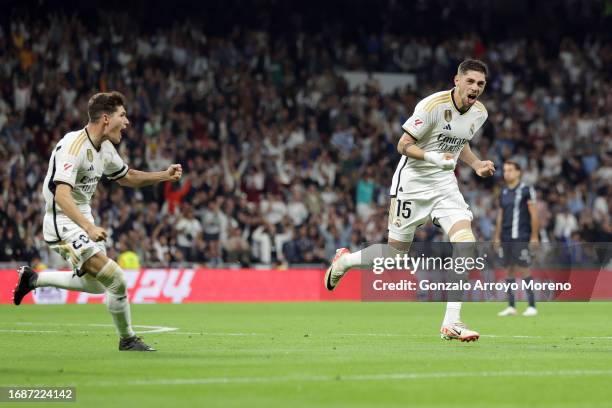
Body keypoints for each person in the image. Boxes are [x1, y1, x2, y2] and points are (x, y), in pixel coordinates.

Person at [325, 59, 495, 342]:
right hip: (412, 185)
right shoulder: (431, 106)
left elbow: (460, 139)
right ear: (457, 80)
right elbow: (402, 145)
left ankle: (452, 322)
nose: (475, 87)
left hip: (444, 185)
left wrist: (476, 164)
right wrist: (431, 157)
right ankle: (344, 263)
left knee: (466, 244)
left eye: (480, 84)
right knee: (394, 256)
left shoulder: (480, 113)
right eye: (470, 81)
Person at [12, 91, 183, 351]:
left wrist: (164, 176)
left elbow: (127, 176)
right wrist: (88, 227)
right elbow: (61, 194)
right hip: (62, 220)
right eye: (122, 115)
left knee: (96, 284)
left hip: (82, 217)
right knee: (115, 278)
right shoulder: (73, 146)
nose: (127, 122)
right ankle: (127, 339)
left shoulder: (105, 148)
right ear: (106, 118)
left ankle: (34, 280)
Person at [494, 161, 539, 317]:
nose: (507, 173)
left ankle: (532, 305)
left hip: (521, 236)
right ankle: (511, 306)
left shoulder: (526, 190)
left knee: (524, 268)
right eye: (505, 170)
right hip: (505, 237)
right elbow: (500, 215)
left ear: (518, 172)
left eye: (511, 170)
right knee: (509, 270)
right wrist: (496, 236)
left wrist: (534, 236)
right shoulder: (503, 191)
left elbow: (534, 214)